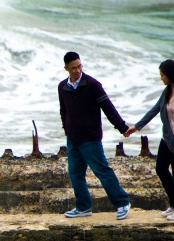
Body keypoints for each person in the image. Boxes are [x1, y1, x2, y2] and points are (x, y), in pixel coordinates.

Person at [57, 51, 133, 220]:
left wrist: (122, 127)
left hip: (90, 138)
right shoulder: (62, 86)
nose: (77, 70)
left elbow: (108, 107)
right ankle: (83, 207)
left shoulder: (92, 84)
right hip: (73, 138)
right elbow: (63, 110)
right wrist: (67, 129)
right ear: (66, 68)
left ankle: (122, 203)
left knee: (102, 171)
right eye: (73, 68)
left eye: (79, 66)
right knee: (75, 174)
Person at [124, 59, 174, 221]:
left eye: (162, 75)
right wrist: (136, 127)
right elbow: (155, 110)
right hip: (167, 139)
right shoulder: (167, 91)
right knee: (161, 169)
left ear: (170, 75)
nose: (161, 78)